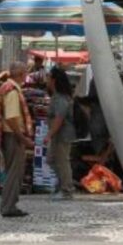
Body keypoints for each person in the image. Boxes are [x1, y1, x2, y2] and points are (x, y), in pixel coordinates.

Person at [0, 61, 34, 217]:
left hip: (8, 135)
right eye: (25, 73)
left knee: (12, 171)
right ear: (20, 74)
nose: (26, 75)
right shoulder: (12, 91)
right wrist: (23, 138)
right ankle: (9, 206)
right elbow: (12, 118)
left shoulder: (5, 87)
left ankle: (7, 204)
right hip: (13, 136)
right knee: (15, 173)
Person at [44, 66, 76, 200]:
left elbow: (59, 118)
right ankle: (61, 184)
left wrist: (49, 134)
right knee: (51, 159)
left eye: (48, 77)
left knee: (62, 161)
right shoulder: (56, 96)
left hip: (63, 135)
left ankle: (67, 190)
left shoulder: (61, 98)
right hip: (58, 134)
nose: (47, 80)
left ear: (54, 80)